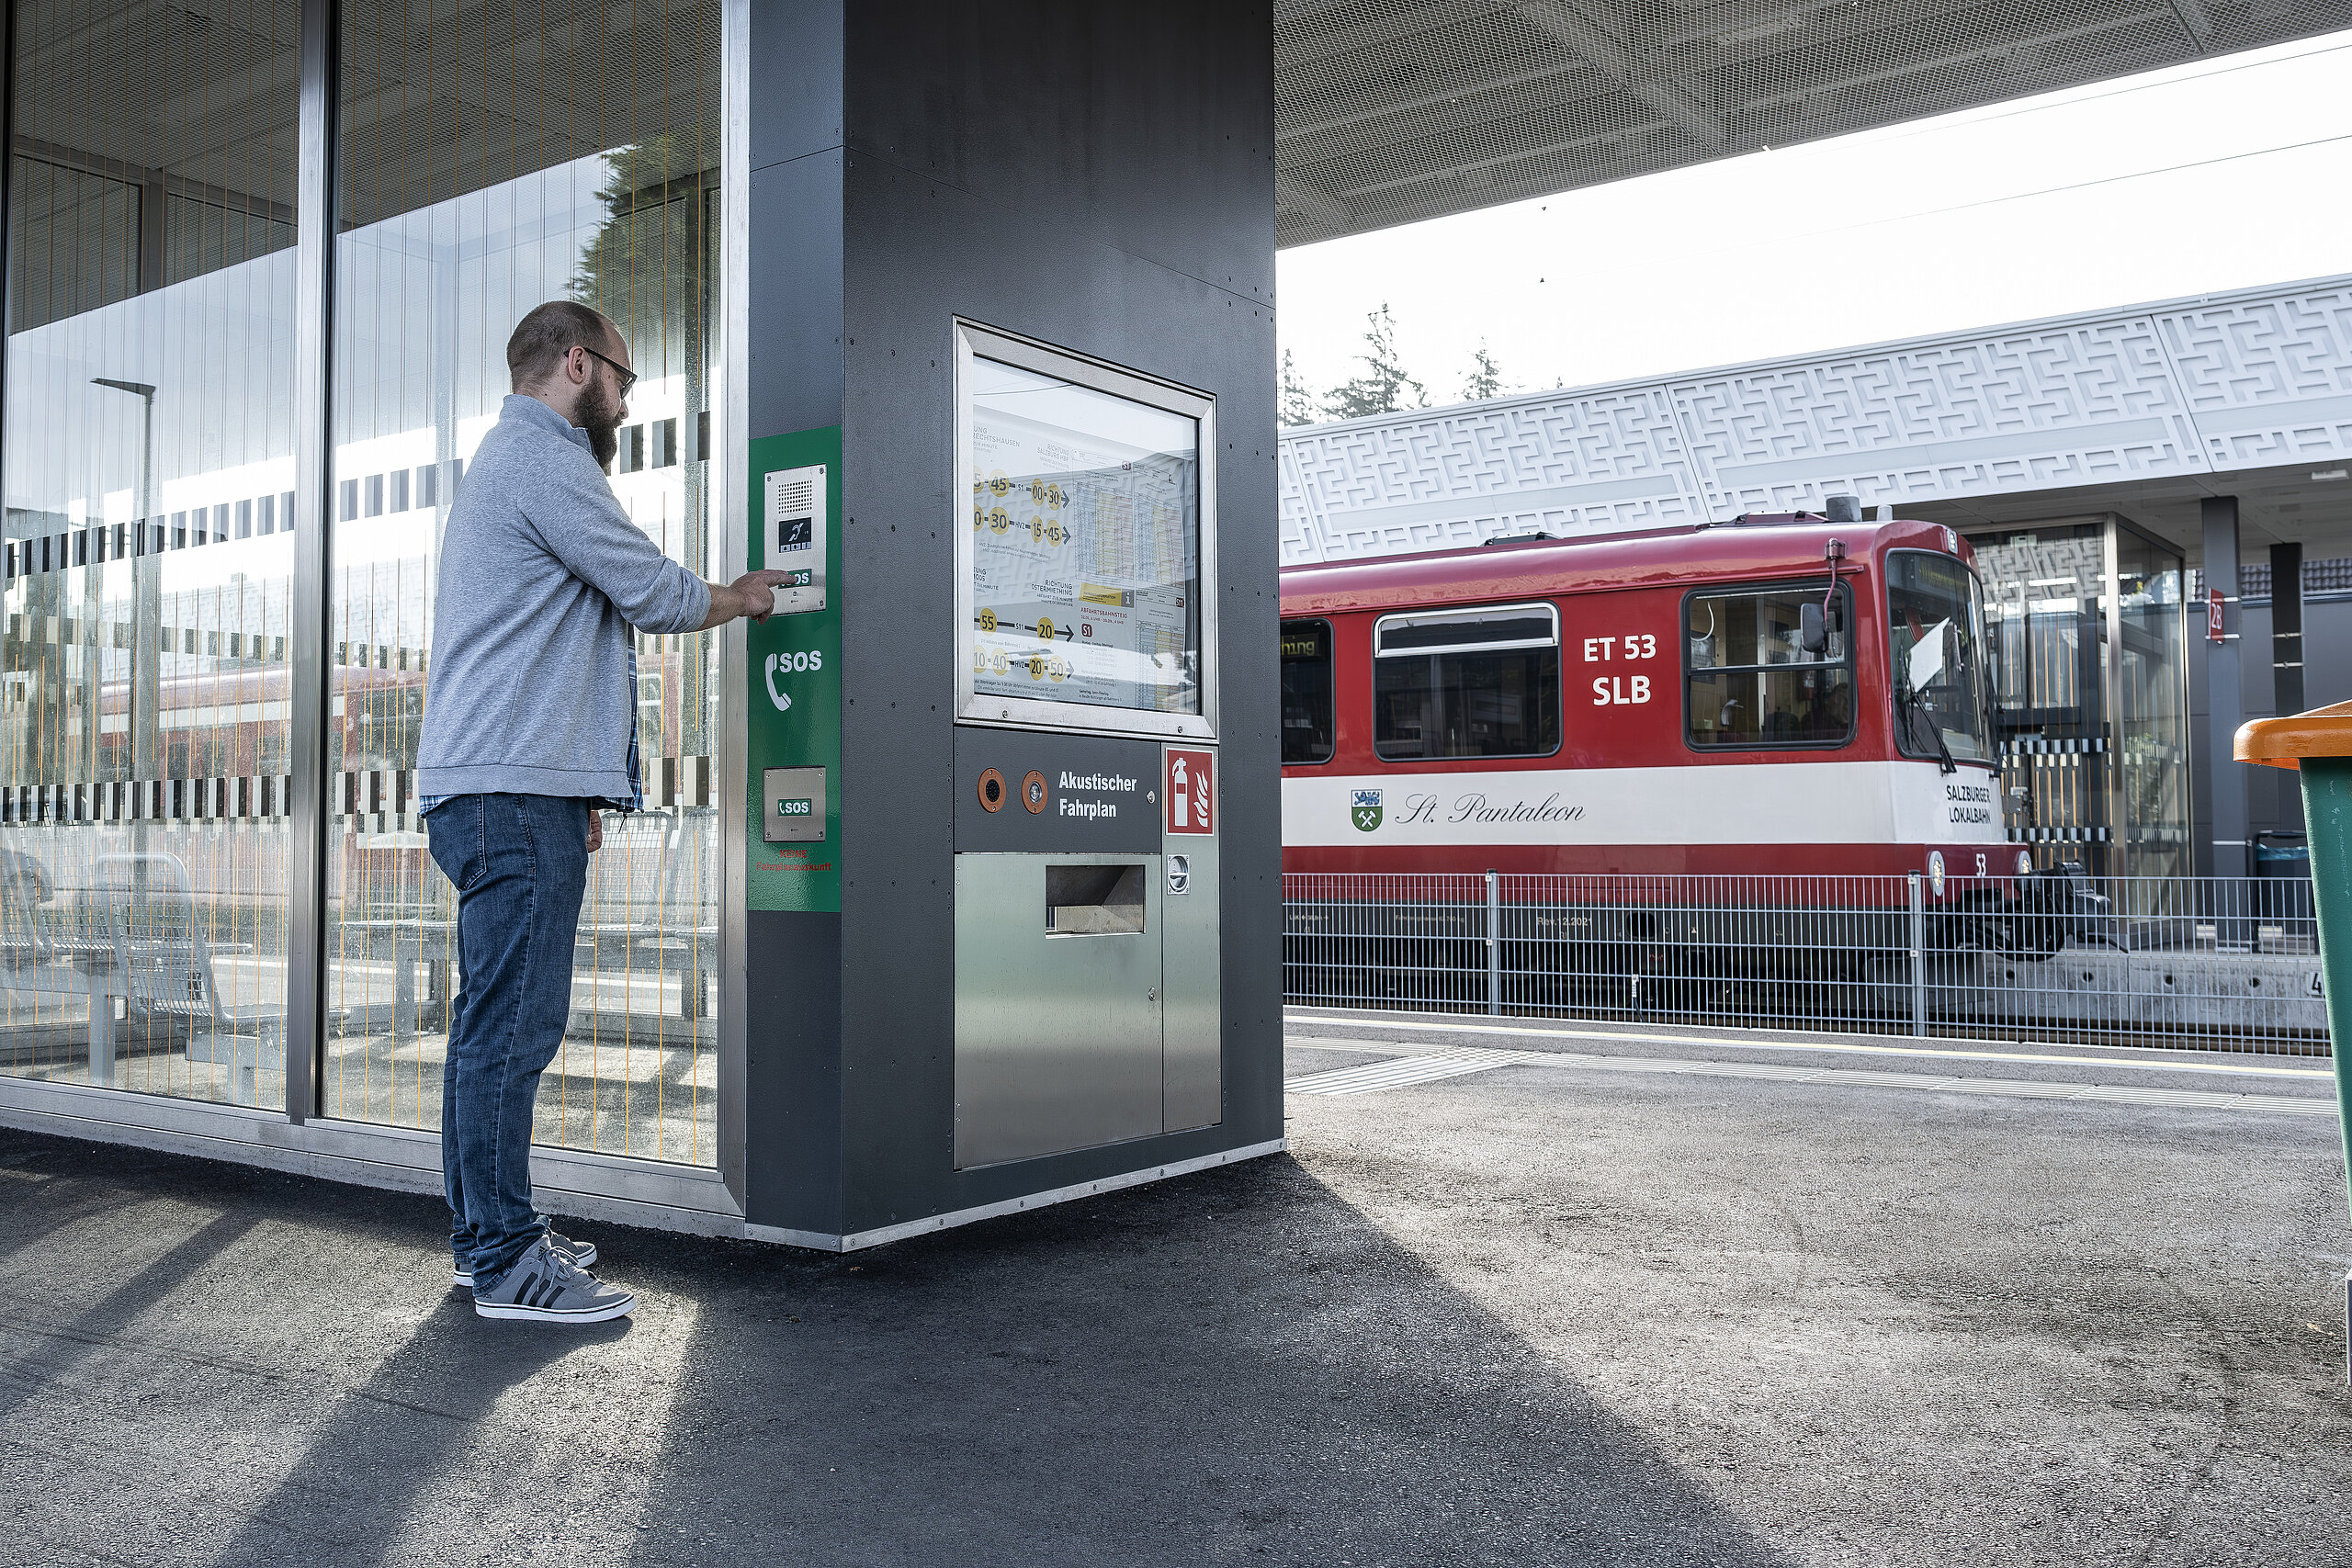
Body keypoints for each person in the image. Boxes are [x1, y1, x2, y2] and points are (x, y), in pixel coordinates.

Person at [417, 300, 789, 1324]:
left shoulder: (506, 462)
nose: (624, 399)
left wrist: (582, 786)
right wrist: (746, 598)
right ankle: (505, 1264)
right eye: (623, 378)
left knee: (486, 1029)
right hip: (510, 793)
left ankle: (486, 1240)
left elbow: (552, 636)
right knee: (511, 1035)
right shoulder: (545, 457)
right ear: (576, 363)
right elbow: (647, 589)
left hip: (501, 789)